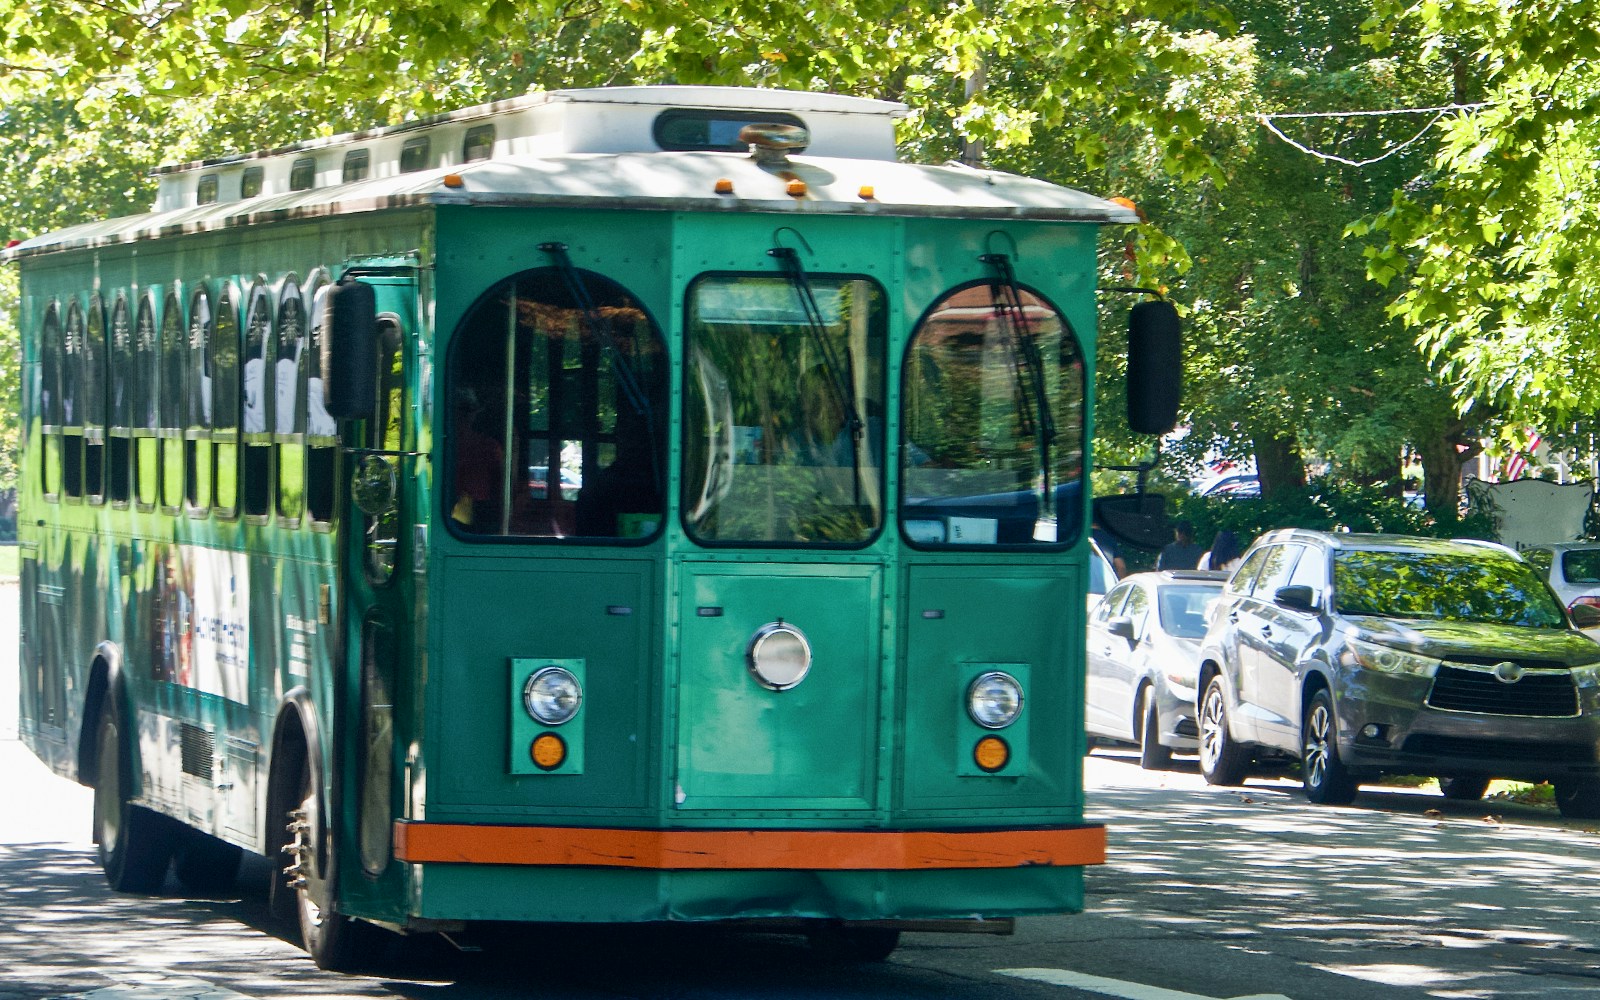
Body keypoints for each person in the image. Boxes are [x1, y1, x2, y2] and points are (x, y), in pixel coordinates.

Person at [451, 387, 504, 531]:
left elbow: (501, 486)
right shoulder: (442, 447)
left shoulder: (490, 447)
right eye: (461, 411)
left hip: (482, 513)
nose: (463, 417)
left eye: (467, 411)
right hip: (450, 509)